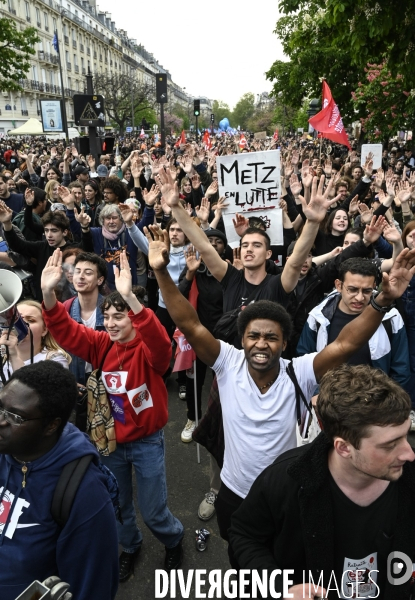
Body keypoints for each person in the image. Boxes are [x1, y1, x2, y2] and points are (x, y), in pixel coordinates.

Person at [145, 211, 415, 566]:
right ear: (241, 339)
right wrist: (161, 270)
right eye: (253, 335)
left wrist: (382, 301)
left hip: (287, 491)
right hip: (234, 492)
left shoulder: (299, 371)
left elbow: (345, 344)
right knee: (243, 557)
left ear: (284, 341)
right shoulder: (227, 362)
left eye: (271, 337)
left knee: (285, 561)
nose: (261, 343)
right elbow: (189, 323)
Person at [41, 248, 184, 582]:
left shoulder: (150, 353)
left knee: (152, 510)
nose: (112, 323)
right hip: (110, 443)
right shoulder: (101, 344)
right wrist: (49, 295)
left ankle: (173, 538)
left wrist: (129, 298)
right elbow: (66, 331)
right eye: (108, 318)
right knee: (117, 506)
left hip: (147, 442)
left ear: (134, 319)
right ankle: (130, 548)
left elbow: (162, 346)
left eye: (120, 317)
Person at [228, 364, 415, 599]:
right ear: (344, 447)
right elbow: (244, 535)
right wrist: (279, 588)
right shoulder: (286, 479)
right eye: (390, 444)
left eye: (406, 435)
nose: (409, 454)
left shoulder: (410, 478)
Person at [0, 360, 118, 600]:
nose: (1, 421)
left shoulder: (84, 492)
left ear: (51, 426)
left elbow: (93, 586)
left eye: (15, 417)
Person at [297, 257, 410, 389]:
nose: (359, 297)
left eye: (367, 291)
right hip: (329, 403)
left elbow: (401, 368)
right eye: (353, 289)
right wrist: (315, 395)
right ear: (339, 285)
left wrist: (392, 404)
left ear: (374, 286)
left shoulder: (391, 318)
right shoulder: (318, 317)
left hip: (376, 403)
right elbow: (304, 363)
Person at [0, 200, 93, 301]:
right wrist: (7, 223)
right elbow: (18, 245)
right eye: (46, 230)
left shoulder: (73, 250)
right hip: (44, 302)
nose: (49, 235)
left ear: (65, 232)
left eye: (54, 231)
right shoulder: (41, 247)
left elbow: (88, 248)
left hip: (69, 303)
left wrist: (84, 227)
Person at [0, 299, 70, 382]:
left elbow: (31, 391)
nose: (22, 325)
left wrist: (14, 357)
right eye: (15, 319)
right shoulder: (3, 360)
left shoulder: (55, 359)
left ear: (44, 330)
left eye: (30, 320)